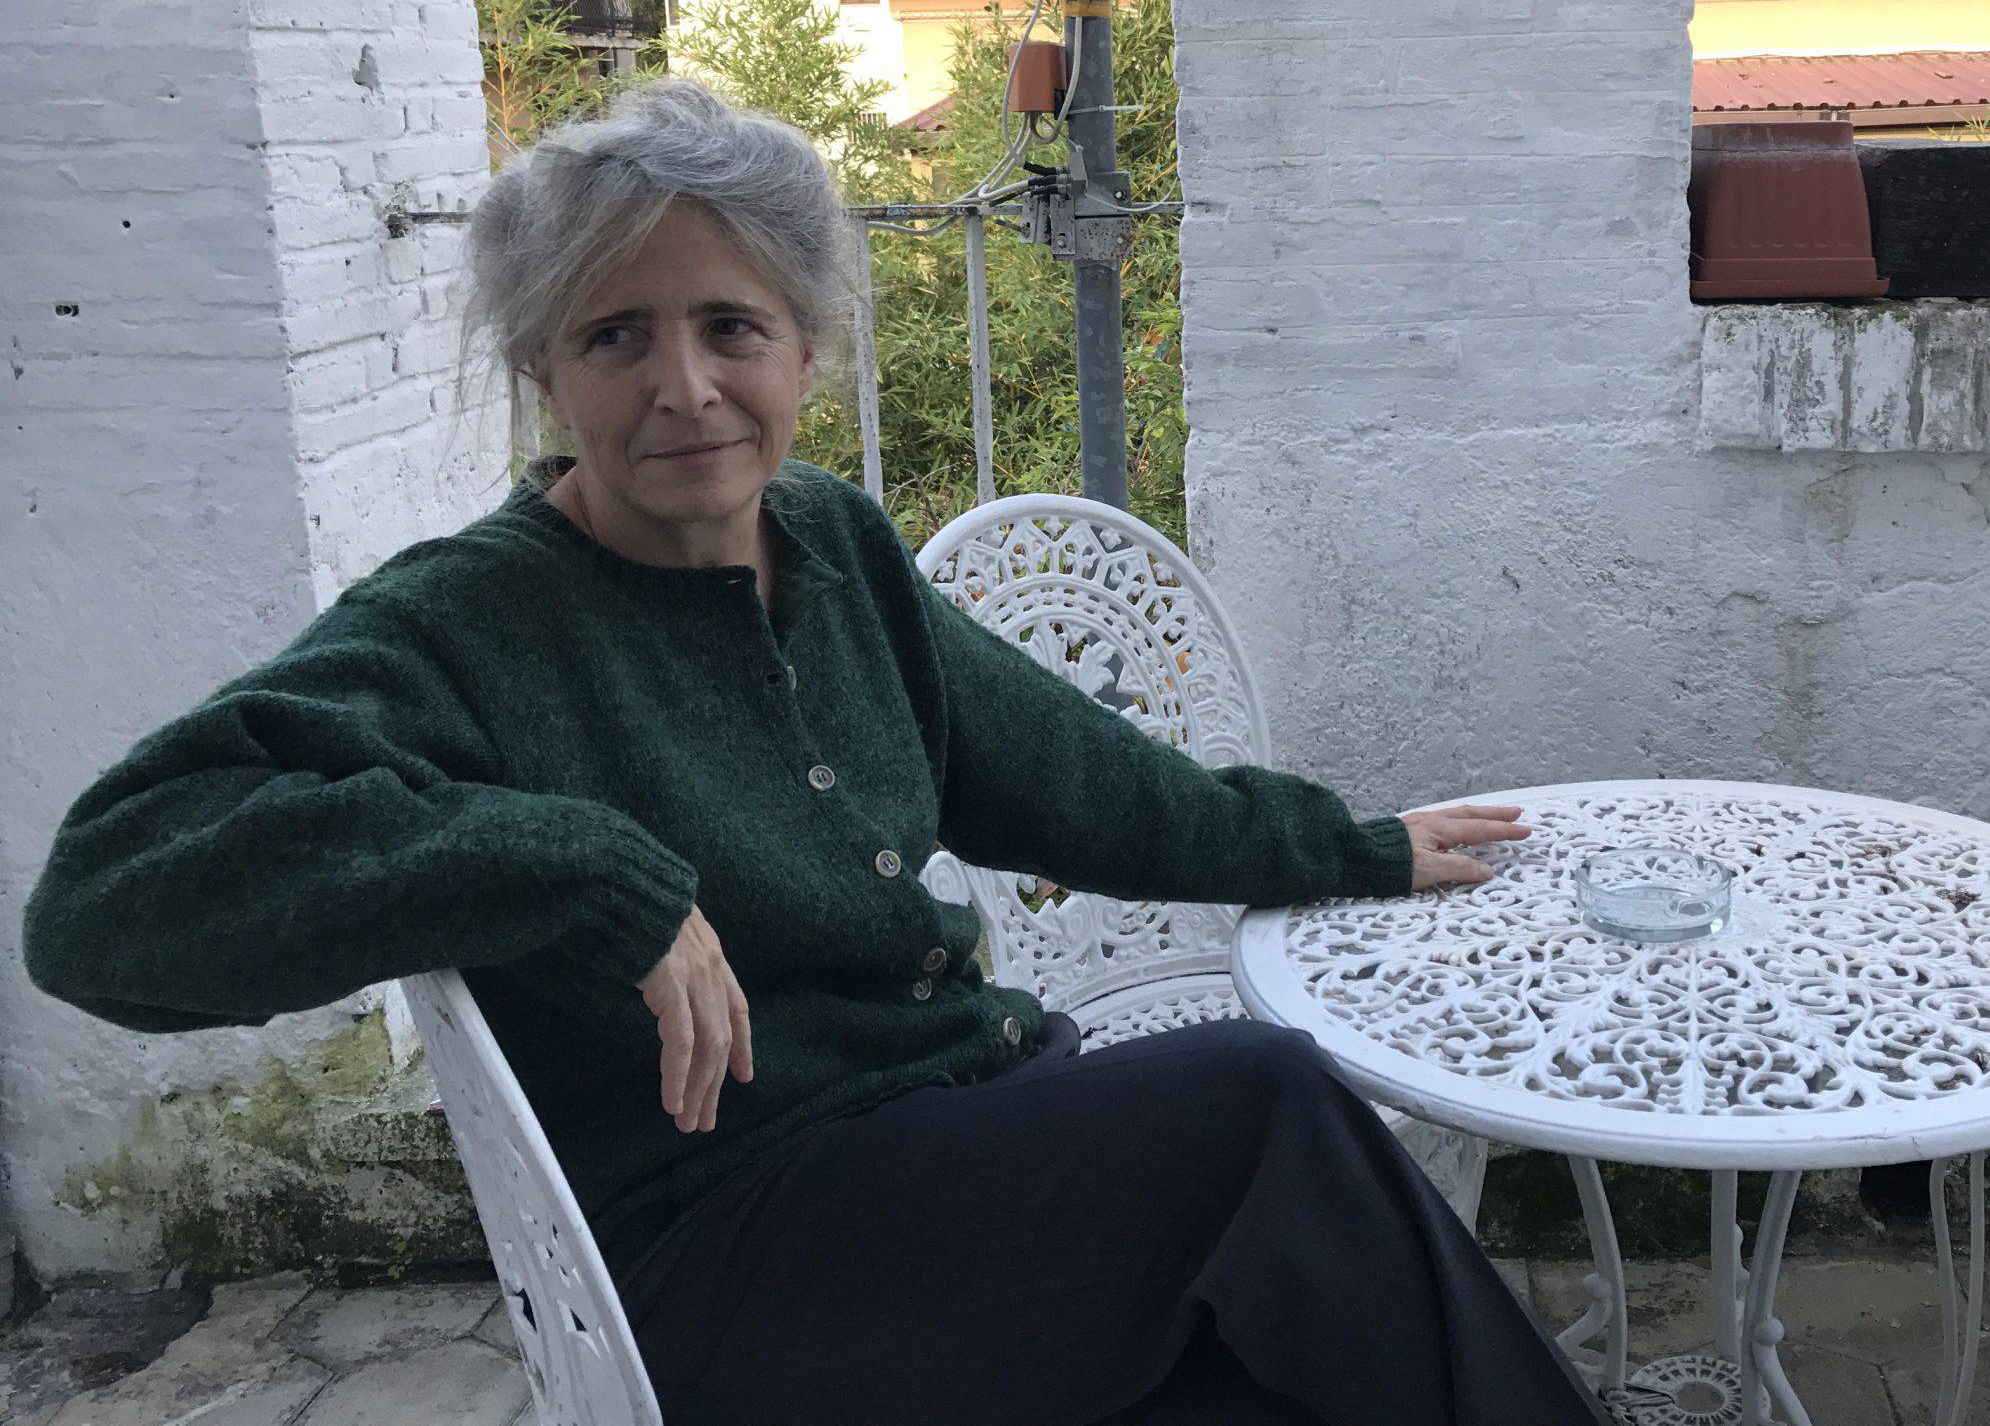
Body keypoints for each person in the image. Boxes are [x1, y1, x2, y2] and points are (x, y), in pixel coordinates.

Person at [22, 81, 1616, 1426]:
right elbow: (100, 908)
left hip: (964, 1179)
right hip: (724, 1268)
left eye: (732, 326)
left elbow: (1080, 779)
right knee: (1259, 1108)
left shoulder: (834, 545)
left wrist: (1349, 846)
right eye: (617, 337)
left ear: (804, 347)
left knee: (1284, 1373)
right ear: (544, 374)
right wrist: (577, 870)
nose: (686, 388)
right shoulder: (467, 623)